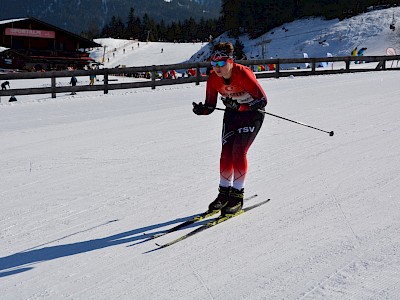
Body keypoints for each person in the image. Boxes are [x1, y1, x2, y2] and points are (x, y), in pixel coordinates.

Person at [192, 42, 267, 216]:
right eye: (213, 63)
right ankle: (224, 193)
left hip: (252, 115)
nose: (217, 68)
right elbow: (210, 106)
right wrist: (201, 110)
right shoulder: (212, 78)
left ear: (231, 61)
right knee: (226, 153)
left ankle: (237, 195)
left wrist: (241, 107)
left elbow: (262, 100)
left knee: (238, 151)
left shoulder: (243, 74)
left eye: (221, 63)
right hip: (232, 116)